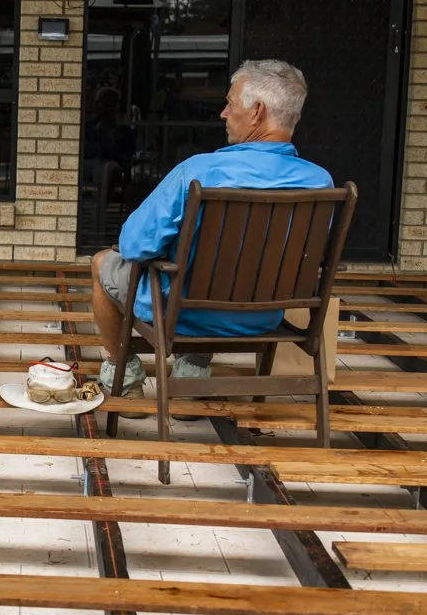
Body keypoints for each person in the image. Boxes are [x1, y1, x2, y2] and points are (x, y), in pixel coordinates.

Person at [91, 58, 333, 395]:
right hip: (262, 318)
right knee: (220, 268)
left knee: (103, 262)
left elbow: (134, 245)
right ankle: (190, 378)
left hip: (184, 315)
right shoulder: (321, 183)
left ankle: (125, 375)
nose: (223, 113)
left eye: (230, 103)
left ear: (257, 111)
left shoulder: (199, 172)